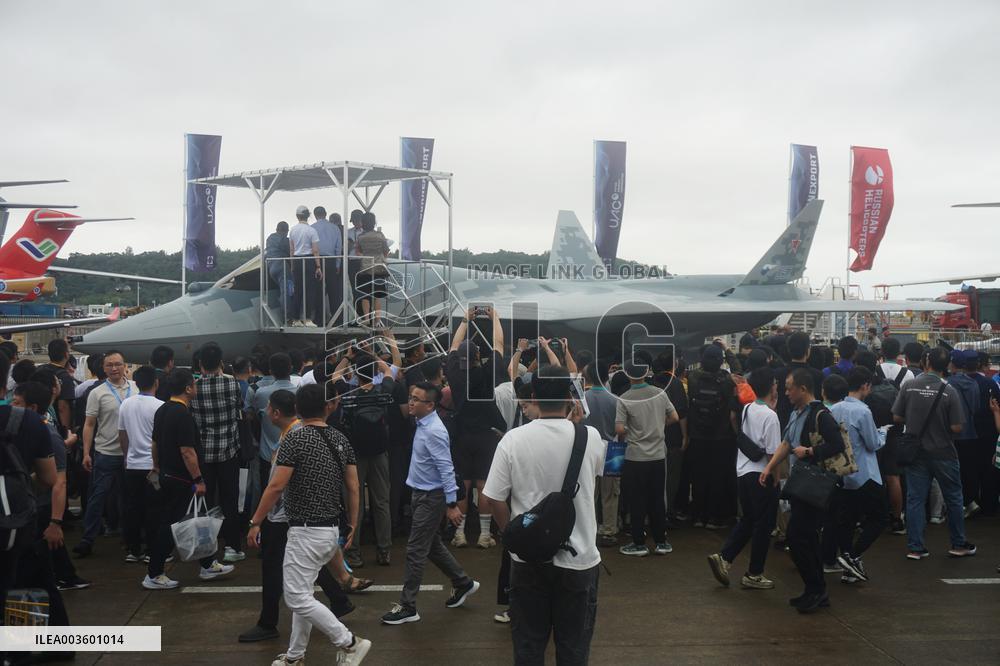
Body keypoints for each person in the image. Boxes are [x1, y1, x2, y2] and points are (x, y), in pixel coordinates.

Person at [483, 365, 606, 665]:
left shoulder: (512, 439)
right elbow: (596, 481)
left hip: (528, 561)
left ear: (533, 396)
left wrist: (511, 533)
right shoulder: (590, 437)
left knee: (528, 646)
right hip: (579, 560)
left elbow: (492, 498)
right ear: (569, 396)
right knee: (574, 649)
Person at [246, 384, 371, 666]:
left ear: (299, 409)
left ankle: (349, 642)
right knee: (303, 594)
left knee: (296, 598)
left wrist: (256, 521)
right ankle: (295, 656)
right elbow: (353, 486)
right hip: (330, 530)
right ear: (328, 407)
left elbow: (276, 485)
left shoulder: (296, 439)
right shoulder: (341, 438)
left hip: (305, 531)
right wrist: (352, 523)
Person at [381, 381, 480, 625]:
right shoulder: (422, 423)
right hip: (420, 494)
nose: (411, 402)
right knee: (431, 545)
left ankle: (408, 606)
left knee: (415, 550)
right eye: (411, 397)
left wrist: (451, 503)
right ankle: (462, 582)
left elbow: (446, 469)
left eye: (417, 399)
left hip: (431, 497)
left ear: (431, 405)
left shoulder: (434, 430)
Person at [760, 368, 846, 613]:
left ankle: (816, 589)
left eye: (789, 388)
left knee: (799, 537)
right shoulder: (797, 414)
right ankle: (814, 590)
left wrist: (809, 452)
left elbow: (837, 445)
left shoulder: (820, 414)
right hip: (801, 486)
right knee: (803, 539)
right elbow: (786, 443)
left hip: (814, 487)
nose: (786, 393)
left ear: (803, 389)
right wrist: (769, 467)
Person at [143, 369, 235, 589]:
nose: (196, 387)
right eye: (193, 385)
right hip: (181, 479)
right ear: (187, 389)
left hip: (167, 474)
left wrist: (157, 466)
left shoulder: (163, 409)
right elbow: (187, 451)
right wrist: (199, 479)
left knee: (196, 519)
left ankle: (207, 563)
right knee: (172, 525)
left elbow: (154, 443)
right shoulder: (182, 414)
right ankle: (154, 573)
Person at [892, 347, 976, 560]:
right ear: (947, 365)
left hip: (916, 452)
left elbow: (897, 418)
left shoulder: (909, 386)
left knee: (915, 499)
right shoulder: (949, 391)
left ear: (925, 362)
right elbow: (957, 427)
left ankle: (915, 547)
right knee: (954, 497)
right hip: (944, 452)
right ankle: (958, 544)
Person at [707, 367, 780, 590]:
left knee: (749, 519)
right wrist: (776, 477)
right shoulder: (771, 416)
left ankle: (725, 558)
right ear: (771, 388)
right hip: (762, 475)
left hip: (743, 471)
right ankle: (754, 573)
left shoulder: (748, 408)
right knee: (764, 525)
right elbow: (773, 452)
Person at [445, 306, 506, 549]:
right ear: (478, 356)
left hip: (461, 435)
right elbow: (499, 345)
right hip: (486, 435)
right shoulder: (488, 372)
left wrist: (464, 322)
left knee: (464, 484)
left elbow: (452, 346)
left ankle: (459, 534)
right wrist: (495, 318)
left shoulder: (454, 375)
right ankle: (483, 535)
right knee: (483, 485)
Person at [824, 367, 887, 584]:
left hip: (843, 474)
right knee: (880, 517)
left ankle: (849, 570)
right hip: (865, 474)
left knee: (847, 521)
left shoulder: (835, 408)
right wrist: (883, 432)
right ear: (865, 385)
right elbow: (873, 444)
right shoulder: (863, 411)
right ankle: (852, 556)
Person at [74, 350, 136, 558]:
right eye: (109, 365)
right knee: (97, 497)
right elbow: (89, 424)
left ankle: (130, 539)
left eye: (117, 364)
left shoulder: (135, 389)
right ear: (103, 368)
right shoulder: (97, 393)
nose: (114, 368)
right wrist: (86, 452)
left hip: (131, 455)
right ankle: (88, 539)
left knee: (129, 498)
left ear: (124, 365)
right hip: (106, 453)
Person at [615, 360, 678, 556]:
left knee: (637, 499)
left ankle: (639, 543)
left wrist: (631, 433)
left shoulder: (625, 398)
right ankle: (661, 542)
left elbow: (619, 429)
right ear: (647, 372)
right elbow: (675, 417)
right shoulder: (660, 393)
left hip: (635, 456)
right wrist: (658, 427)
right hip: (658, 454)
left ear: (627, 375)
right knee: (657, 498)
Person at [190, 342, 245, 563]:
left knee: (206, 501)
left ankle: (208, 546)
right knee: (229, 500)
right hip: (228, 451)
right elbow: (238, 409)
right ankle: (232, 546)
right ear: (221, 363)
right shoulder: (233, 384)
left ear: (200, 363)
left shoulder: (193, 386)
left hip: (203, 453)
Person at [340, 351, 395, 568]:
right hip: (380, 453)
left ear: (355, 374)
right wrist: (374, 357)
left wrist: (348, 357)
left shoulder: (348, 393)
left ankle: (354, 552)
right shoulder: (384, 391)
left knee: (355, 504)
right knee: (381, 502)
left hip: (355, 455)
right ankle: (384, 551)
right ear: (374, 373)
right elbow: (388, 370)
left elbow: (336, 376)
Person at [686, 344, 739, 529]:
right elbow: (740, 371)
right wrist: (728, 352)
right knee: (718, 476)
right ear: (720, 361)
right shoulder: (726, 380)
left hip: (697, 435)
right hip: (721, 436)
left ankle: (698, 516)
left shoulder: (692, 378)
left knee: (699, 475)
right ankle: (715, 516)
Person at [117, 365, 164, 563]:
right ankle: (154, 550)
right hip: (152, 467)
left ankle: (134, 550)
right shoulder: (160, 406)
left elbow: (122, 434)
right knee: (154, 510)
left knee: (133, 508)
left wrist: (127, 457)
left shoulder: (126, 404)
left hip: (132, 464)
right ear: (156, 383)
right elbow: (160, 440)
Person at [248, 353, 298, 494]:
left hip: (267, 454)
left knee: (268, 493)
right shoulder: (299, 392)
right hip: (294, 454)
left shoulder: (261, 393)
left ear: (270, 371)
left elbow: (253, 416)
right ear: (291, 368)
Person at [583, 361, 620, 547]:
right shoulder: (615, 399)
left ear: (588, 377)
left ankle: (590, 526)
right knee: (611, 492)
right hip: (612, 449)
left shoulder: (583, 398)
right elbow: (620, 429)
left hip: (588, 448)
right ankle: (609, 529)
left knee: (590, 490)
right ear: (607, 377)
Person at [651, 351, 689, 526]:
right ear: (673, 365)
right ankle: (668, 512)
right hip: (672, 437)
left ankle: (654, 512)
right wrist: (685, 436)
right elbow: (681, 414)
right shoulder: (676, 384)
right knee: (672, 477)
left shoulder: (653, 381)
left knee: (655, 477)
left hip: (653, 438)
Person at [946, 350, 982, 517]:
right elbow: (975, 409)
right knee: (970, 468)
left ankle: (959, 504)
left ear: (952, 364)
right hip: (971, 432)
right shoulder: (973, 384)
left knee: (954, 471)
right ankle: (971, 500)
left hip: (953, 434)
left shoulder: (948, 383)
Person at [355, 212, 391, 327]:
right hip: (379, 267)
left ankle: (366, 318)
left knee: (365, 295)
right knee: (377, 295)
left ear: (363, 223)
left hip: (365, 268)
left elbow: (358, 251)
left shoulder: (360, 237)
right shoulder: (380, 235)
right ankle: (377, 320)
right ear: (373, 222)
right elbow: (386, 250)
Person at [288, 205, 322, 327]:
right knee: (309, 290)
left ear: (297, 216)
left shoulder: (292, 230)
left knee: (298, 291)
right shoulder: (312, 230)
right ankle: (307, 319)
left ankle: (295, 319)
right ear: (308, 216)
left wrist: (292, 265)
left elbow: (291, 249)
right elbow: (315, 250)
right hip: (308, 260)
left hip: (296, 260)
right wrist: (318, 266)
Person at [312, 207, 344, 326]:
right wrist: (337, 264)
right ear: (325, 214)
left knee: (318, 291)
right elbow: (338, 247)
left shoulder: (312, 228)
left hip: (317, 261)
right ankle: (337, 319)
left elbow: (312, 247)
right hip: (331, 261)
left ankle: (319, 320)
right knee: (333, 292)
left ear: (315, 215)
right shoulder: (335, 228)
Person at [42, 338, 76, 432]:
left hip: (39, 419)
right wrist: (66, 431)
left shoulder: (40, 370)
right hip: (55, 425)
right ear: (66, 354)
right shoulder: (64, 377)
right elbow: (63, 407)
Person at [265, 220, 293, 315]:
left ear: (276, 229)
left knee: (282, 289)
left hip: (271, 267)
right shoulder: (285, 240)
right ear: (286, 231)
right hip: (282, 266)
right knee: (287, 291)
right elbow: (291, 253)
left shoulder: (270, 238)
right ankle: (288, 317)